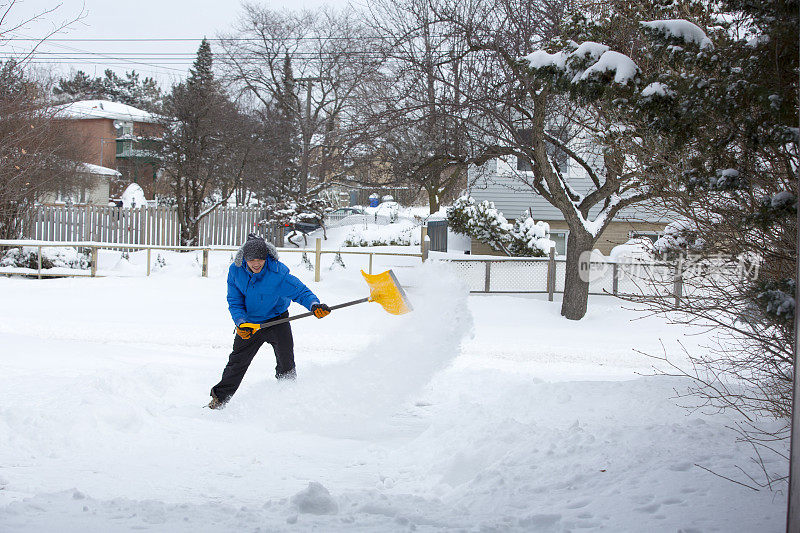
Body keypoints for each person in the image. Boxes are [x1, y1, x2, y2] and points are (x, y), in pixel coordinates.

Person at [208, 234, 331, 409]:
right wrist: (241, 322)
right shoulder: (235, 272)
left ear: (266, 258)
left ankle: (287, 398)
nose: (256, 264)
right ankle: (219, 400)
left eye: (260, 259)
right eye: (251, 260)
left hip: (277, 321)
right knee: (237, 363)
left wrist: (314, 305)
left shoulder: (277, 273)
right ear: (245, 259)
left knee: (286, 362)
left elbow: (300, 291)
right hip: (249, 324)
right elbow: (234, 301)